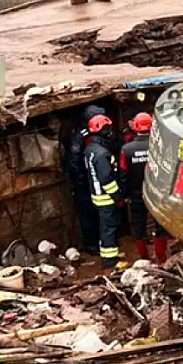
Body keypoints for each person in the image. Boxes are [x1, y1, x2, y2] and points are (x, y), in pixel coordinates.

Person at [119, 112, 171, 264]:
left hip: (136, 194)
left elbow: (123, 174)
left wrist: (124, 194)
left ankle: (144, 260)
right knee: (160, 225)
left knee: (138, 227)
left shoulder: (126, 150)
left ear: (135, 127)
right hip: (157, 194)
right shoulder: (161, 146)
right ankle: (161, 259)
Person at [84, 114, 124, 268]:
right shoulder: (101, 154)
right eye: (108, 128)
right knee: (109, 227)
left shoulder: (91, 149)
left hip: (98, 195)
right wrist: (117, 196)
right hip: (106, 197)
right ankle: (110, 260)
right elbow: (106, 178)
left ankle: (110, 252)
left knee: (106, 226)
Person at [63, 104, 105, 255]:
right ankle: (91, 244)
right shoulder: (79, 136)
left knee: (99, 212)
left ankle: (102, 240)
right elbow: (74, 161)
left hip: (94, 180)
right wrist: (82, 180)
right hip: (83, 183)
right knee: (86, 213)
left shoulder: (95, 133)